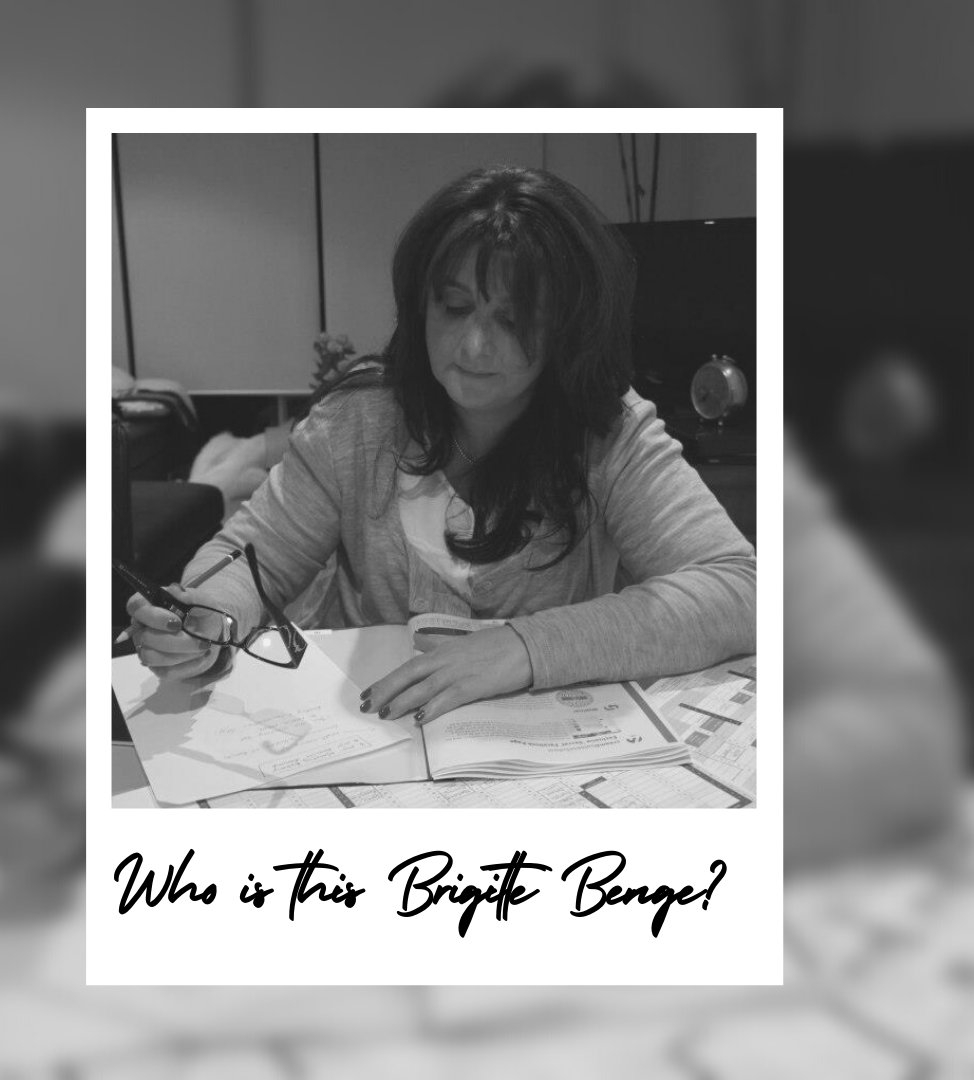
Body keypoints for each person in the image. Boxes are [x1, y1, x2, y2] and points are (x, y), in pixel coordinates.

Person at [128, 165, 755, 725]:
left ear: (567, 327)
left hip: (541, 754)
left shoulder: (611, 432)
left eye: (512, 319)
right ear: (419, 306)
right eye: (454, 308)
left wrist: (522, 647)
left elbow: (739, 589)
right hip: (365, 735)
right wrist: (208, 616)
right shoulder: (357, 421)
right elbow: (248, 559)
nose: (474, 346)